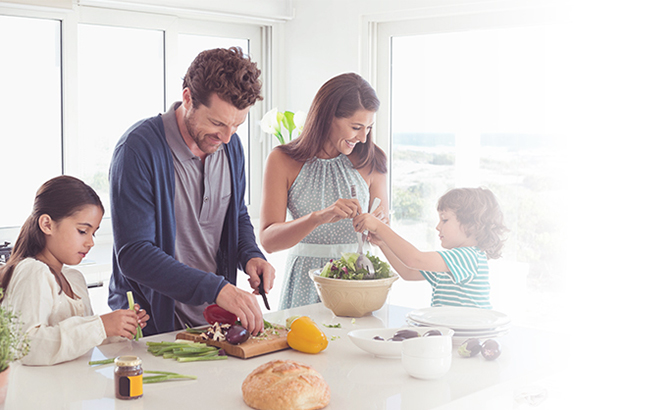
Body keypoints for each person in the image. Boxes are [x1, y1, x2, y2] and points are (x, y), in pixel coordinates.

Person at [107, 47, 275, 336]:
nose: (226, 136)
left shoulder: (231, 146)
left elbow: (235, 215)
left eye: (237, 125)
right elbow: (134, 254)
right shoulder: (138, 150)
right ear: (188, 98)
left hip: (213, 323)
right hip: (150, 326)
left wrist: (250, 254)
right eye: (217, 123)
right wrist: (217, 288)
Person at [259, 73, 389, 309]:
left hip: (358, 280)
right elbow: (268, 241)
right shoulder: (282, 160)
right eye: (356, 127)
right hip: (304, 282)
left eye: (368, 128)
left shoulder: (372, 161)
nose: (362, 137)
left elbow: (384, 233)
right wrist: (319, 218)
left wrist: (380, 232)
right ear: (328, 117)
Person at [0, 176, 150, 365]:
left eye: (93, 232)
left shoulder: (74, 279)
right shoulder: (33, 271)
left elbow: (79, 343)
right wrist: (101, 326)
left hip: (73, 389)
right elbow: (27, 346)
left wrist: (118, 327)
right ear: (47, 224)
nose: (91, 242)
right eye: (82, 231)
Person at [353, 187, 507, 309]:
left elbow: (414, 259)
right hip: (453, 336)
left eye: (445, 220)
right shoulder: (450, 262)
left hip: (472, 338)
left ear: (472, 225)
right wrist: (382, 244)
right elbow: (409, 272)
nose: (437, 226)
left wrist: (380, 227)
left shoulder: (469, 257)